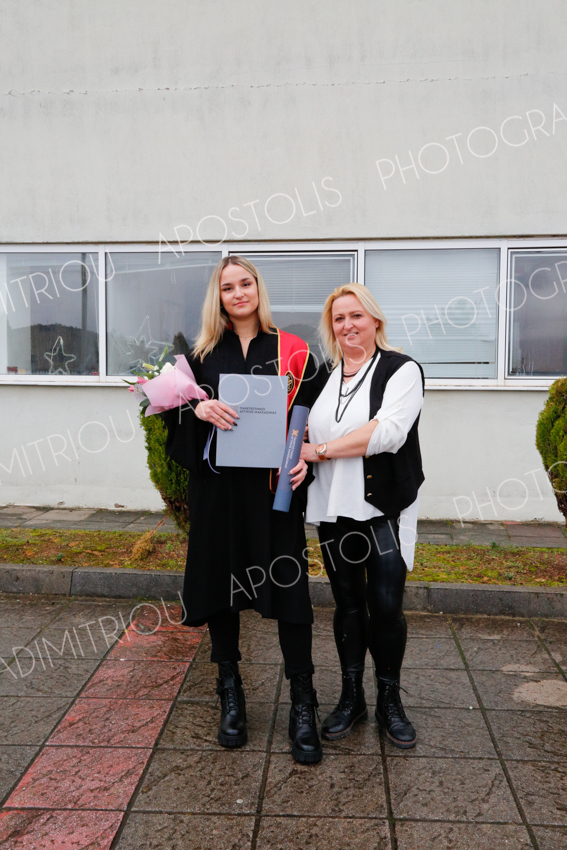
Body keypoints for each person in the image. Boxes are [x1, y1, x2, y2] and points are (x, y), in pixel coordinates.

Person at [160, 256, 322, 764]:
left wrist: (306, 461)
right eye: (227, 287)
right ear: (219, 296)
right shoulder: (200, 357)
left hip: (274, 493)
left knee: (290, 591)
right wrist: (197, 407)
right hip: (219, 493)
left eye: (245, 283)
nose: (238, 293)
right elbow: (172, 421)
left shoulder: (295, 351)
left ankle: (303, 701)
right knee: (222, 588)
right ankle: (229, 691)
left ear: (258, 288)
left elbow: (316, 419)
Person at [300, 283, 424, 749]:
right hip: (334, 507)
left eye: (356, 316)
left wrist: (320, 450)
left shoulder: (401, 369)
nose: (347, 325)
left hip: (382, 507)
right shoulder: (324, 376)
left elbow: (388, 432)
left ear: (375, 321)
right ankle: (352, 697)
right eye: (339, 319)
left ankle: (389, 700)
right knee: (348, 603)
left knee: (386, 605)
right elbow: (297, 424)